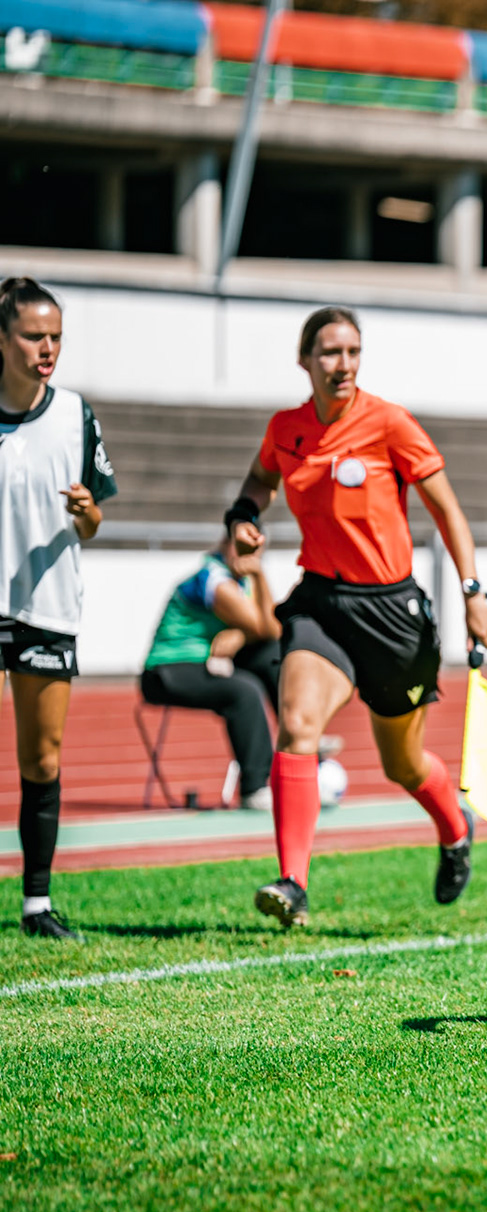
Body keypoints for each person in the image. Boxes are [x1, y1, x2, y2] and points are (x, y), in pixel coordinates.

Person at [224, 306, 487, 929]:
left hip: (392, 614)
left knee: (402, 763)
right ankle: (293, 882)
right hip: (321, 601)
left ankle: (454, 828)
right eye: (328, 353)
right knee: (297, 725)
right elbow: (260, 479)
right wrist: (243, 517)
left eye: (351, 352)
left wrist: (473, 591)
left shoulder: (391, 424)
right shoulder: (286, 427)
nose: (341, 365)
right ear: (305, 361)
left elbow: (449, 513)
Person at [0, 279, 116, 941]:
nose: (47, 349)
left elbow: (94, 521)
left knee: (41, 760)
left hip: (47, 607)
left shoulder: (76, 415)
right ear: (2, 338)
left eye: (56, 337)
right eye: (33, 336)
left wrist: (87, 513)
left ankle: (36, 904)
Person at [138, 531, 283, 810]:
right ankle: (256, 786)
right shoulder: (214, 578)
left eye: (254, 550)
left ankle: (301, 739)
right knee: (244, 690)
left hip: (207, 661)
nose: (246, 555)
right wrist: (246, 628)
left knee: (271, 656)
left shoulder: (242, 582)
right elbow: (266, 628)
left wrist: (240, 634)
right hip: (167, 670)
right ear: (226, 543)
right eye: (240, 546)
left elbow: (271, 631)